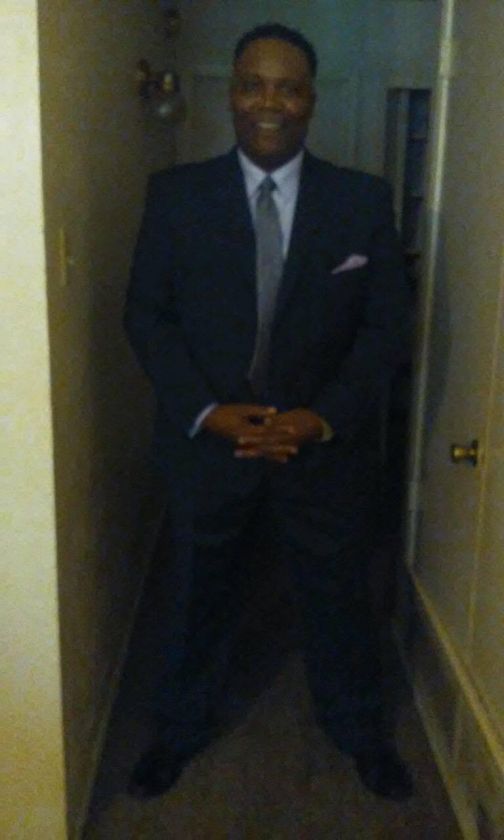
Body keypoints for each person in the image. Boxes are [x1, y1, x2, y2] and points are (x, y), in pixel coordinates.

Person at [124, 23, 413, 801]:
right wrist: (207, 410)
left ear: (311, 100)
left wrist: (322, 417)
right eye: (253, 84)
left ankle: (361, 732)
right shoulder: (176, 196)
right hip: (208, 446)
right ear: (232, 94)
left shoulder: (362, 201)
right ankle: (176, 732)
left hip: (319, 447)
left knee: (339, 595)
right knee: (195, 595)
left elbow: (386, 327)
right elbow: (147, 317)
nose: (269, 103)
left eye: (288, 88)